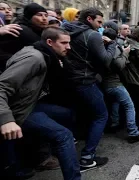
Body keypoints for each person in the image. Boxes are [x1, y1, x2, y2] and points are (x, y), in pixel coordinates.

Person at [0, 27, 81, 180]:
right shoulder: (34, 58)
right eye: (64, 43)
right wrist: (6, 119)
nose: (68, 47)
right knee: (64, 136)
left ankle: (49, 151)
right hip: (19, 110)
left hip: (30, 103)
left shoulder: (46, 54)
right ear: (50, 42)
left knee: (67, 114)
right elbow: (2, 87)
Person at [62, 7, 116, 172]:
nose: (101, 26)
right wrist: (112, 44)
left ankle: (69, 147)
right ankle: (87, 158)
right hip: (85, 81)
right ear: (89, 19)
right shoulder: (92, 35)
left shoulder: (65, 30)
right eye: (99, 22)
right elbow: (106, 60)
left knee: (77, 114)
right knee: (101, 115)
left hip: (67, 79)